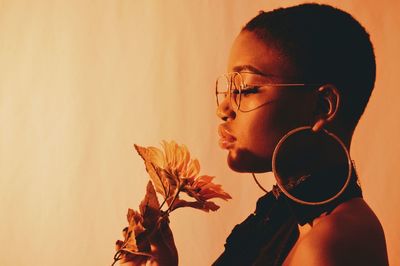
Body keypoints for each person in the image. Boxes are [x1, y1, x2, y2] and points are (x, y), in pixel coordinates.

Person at [120, 3, 389, 265]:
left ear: (322, 106)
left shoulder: (331, 245)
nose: (223, 109)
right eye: (228, 89)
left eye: (246, 89)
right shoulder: (284, 222)